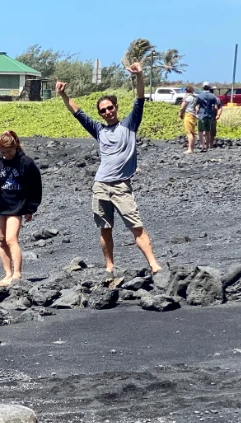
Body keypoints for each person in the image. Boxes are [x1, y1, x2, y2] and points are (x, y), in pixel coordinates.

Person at [56, 61, 161, 275]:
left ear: (116, 107)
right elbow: (78, 113)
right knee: (105, 229)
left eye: (110, 108)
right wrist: (63, 95)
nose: (107, 112)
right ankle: (109, 266)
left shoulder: (129, 125)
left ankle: (154, 264)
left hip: (121, 186)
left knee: (136, 227)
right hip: (101, 185)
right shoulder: (98, 130)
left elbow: (140, 99)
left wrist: (139, 76)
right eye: (103, 110)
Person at [0, 130, 42, 286]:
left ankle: (17, 274)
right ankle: (7, 274)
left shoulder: (26, 162)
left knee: (11, 239)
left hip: (17, 206)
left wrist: (31, 208)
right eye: (2, 152)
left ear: (16, 147)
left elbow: (35, 186)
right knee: (2, 240)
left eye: (8, 152)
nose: (6, 155)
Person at [196, 83, 222, 151]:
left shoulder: (200, 95)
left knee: (204, 131)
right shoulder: (213, 97)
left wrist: (218, 115)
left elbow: (219, 107)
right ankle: (207, 146)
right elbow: (217, 107)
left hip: (205, 115)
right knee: (208, 131)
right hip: (210, 115)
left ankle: (205, 145)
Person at [178, 86, 198, 154]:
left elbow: (182, 107)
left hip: (188, 114)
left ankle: (190, 149)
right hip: (193, 115)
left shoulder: (187, 97)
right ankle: (191, 148)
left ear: (186, 91)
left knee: (189, 133)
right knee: (192, 132)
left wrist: (180, 114)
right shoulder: (195, 97)